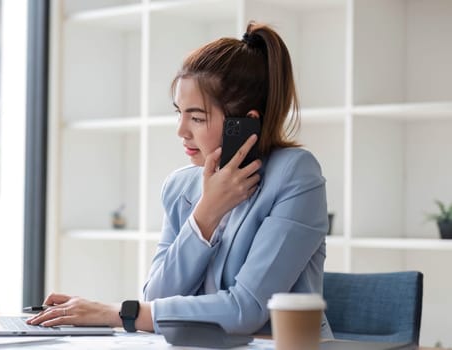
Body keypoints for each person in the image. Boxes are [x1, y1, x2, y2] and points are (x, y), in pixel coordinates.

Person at [27, 22, 332, 338]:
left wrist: (112, 313)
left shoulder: (296, 175)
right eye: (180, 113)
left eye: (197, 118)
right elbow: (156, 299)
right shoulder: (180, 187)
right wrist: (205, 215)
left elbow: (246, 310)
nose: (181, 131)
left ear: (245, 124)